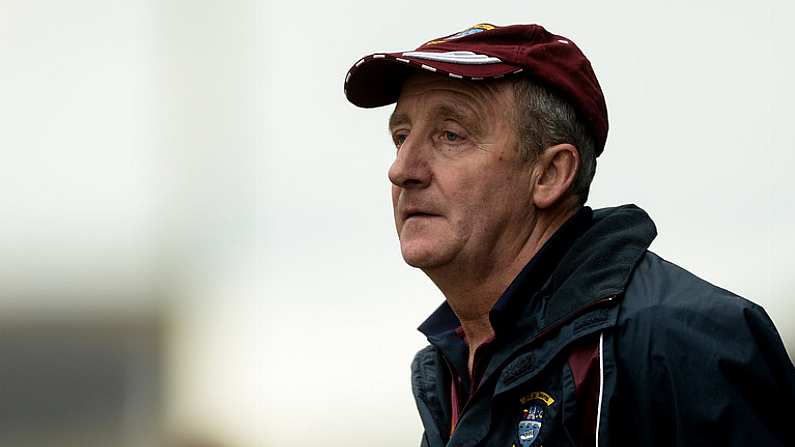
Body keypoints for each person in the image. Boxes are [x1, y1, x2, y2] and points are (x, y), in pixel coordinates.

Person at [343, 23, 795, 447]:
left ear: (550, 174)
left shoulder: (682, 340)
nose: (401, 170)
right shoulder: (448, 371)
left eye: (450, 135)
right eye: (401, 137)